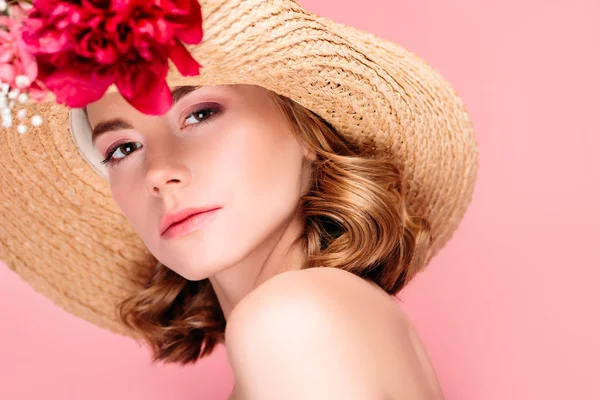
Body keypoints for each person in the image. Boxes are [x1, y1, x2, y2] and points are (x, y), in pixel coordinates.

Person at [0, 0, 479, 399]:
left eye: (200, 114)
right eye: (123, 149)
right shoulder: (321, 317)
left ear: (305, 128)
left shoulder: (292, 318)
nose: (160, 173)